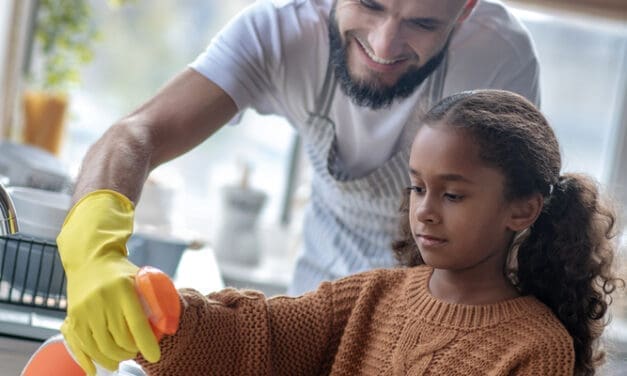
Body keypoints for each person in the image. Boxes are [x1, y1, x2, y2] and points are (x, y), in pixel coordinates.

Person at [57, 0, 542, 371]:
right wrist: (93, 250)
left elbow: (501, 228)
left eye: (422, 23)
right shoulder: (279, 32)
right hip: (316, 319)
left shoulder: (499, 60)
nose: (385, 43)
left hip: (437, 337)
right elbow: (138, 133)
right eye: (369, 4)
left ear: (466, 10)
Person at [64, 90, 622, 375]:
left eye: (452, 195)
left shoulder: (535, 348)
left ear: (522, 210)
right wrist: (167, 317)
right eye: (416, 187)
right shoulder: (373, 297)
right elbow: (261, 338)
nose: (425, 211)